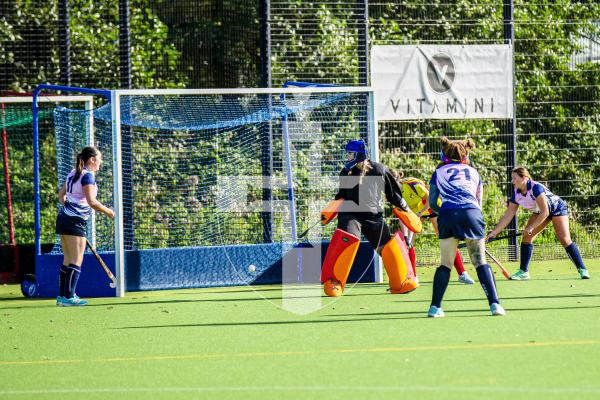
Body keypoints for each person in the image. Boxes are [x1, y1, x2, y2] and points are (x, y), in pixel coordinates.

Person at [320, 139, 417, 296]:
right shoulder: (346, 172)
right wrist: (329, 211)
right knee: (347, 238)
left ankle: (402, 281)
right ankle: (334, 281)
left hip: (373, 216)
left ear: (359, 155)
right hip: (350, 214)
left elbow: (393, 193)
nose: (347, 157)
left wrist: (405, 209)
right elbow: (341, 196)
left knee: (386, 246)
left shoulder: (378, 169)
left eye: (350, 154)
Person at [427, 137, 505, 317]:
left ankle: (435, 307)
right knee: (480, 262)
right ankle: (495, 305)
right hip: (472, 214)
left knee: (445, 264)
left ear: (445, 154)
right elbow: (479, 201)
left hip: (448, 215)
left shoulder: (438, 172)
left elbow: (432, 201)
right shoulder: (474, 172)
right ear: (465, 154)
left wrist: (444, 210)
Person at [487, 166, 590, 280]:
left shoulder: (536, 188)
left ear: (524, 178)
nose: (512, 181)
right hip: (539, 211)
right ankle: (523, 272)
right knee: (526, 237)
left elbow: (545, 212)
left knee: (565, 239)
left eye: (515, 178)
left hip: (556, 209)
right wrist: (494, 233)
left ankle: (582, 269)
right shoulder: (517, 194)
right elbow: (508, 215)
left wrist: (531, 227)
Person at [390, 172, 475, 285]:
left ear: (398, 180)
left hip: (431, 206)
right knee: (408, 243)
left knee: (445, 238)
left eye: (393, 183)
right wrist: (406, 237)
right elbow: (402, 217)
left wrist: (419, 214)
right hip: (414, 213)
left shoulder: (413, 185)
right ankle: (413, 277)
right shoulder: (392, 194)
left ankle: (462, 273)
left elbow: (431, 199)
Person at [55, 146, 114, 306]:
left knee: (67, 259)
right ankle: (69, 297)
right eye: (99, 159)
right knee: (76, 259)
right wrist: (109, 212)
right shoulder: (87, 176)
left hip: (63, 218)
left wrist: (69, 207)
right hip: (75, 221)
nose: (100, 163)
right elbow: (91, 201)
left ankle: (62, 297)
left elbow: (62, 196)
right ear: (92, 160)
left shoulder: (72, 173)